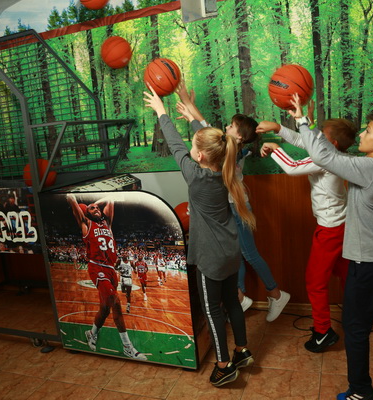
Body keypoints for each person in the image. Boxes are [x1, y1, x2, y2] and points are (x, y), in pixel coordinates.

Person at [288, 93, 373, 400]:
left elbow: (325, 157)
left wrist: (302, 121)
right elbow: (328, 152)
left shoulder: (369, 168)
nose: (361, 134)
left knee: (355, 327)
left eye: (368, 131)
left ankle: (361, 391)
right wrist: (301, 128)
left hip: (368, 262)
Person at [144, 84, 255, 387]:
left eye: (195, 147)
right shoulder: (224, 169)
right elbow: (214, 141)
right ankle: (242, 350)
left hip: (210, 257)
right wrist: (193, 120)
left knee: (213, 310)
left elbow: (176, 145)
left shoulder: (197, 177)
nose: (190, 150)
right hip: (230, 251)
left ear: (202, 156)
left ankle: (224, 365)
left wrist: (162, 112)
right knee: (232, 302)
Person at [176, 81, 290, 322]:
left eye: (230, 126)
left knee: (249, 254)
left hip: (237, 208)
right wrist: (189, 104)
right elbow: (205, 129)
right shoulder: (231, 147)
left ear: (239, 135)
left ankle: (276, 294)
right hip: (230, 206)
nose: (225, 127)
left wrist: (189, 107)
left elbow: (204, 130)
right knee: (235, 254)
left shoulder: (233, 151)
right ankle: (239, 296)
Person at [258, 107, 357, 353]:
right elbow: (305, 140)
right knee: (346, 275)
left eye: (322, 134)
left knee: (315, 283)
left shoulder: (325, 159)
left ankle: (323, 332)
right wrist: (278, 128)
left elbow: (292, 167)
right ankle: (358, 318)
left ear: (331, 143)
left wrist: (275, 148)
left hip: (330, 230)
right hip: (342, 225)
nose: (316, 136)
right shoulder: (332, 152)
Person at [66, 194, 146, 361]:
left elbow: (111, 199)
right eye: (92, 208)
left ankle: (92, 333)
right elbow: (71, 199)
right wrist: (83, 206)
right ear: (86, 214)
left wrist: (94, 204)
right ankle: (127, 347)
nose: (97, 209)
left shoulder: (107, 223)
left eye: (98, 208)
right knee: (115, 302)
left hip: (111, 270)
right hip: (97, 267)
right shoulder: (86, 224)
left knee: (104, 308)